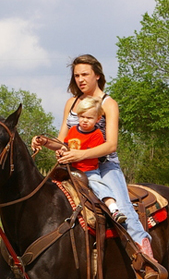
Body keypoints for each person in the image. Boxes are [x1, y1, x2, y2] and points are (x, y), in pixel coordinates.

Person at [32, 54, 158, 279]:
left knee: (123, 207)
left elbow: (111, 144)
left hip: (104, 165)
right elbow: (63, 140)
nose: (80, 79)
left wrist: (80, 154)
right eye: (77, 75)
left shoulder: (108, 103)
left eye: (85, 74)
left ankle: (146, 258)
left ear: (97, 75)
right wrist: (45, 142)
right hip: (72, 165)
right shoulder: (71, 104)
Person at [36, 96, 127, 224]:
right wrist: (55, 147)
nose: (84, 120)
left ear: (98, 119)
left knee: (99, 186)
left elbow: (91, 153)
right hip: (70, 170)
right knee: (51, 184)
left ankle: (114, 209)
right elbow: (65, 145)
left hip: (89, 171)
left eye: (89, 118)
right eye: (82, 116)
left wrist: (75, 154)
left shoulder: (96, 135)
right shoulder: (73, 130)